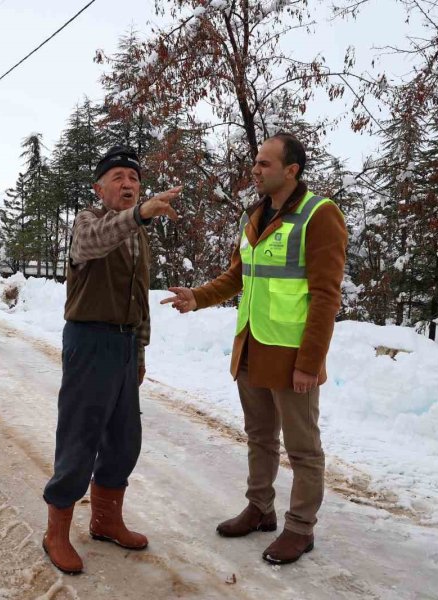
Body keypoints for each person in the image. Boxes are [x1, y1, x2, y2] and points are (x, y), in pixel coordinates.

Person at [161, 133, 347, 565]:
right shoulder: (254, 215)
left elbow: (326, 296)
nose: (255, 169)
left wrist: (310, 363)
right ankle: (260, 508)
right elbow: (237, 276)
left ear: (291, 170)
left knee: (303, 448)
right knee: (260, 437)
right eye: (256, 162)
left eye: (265, 163)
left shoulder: (319, 214)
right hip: (250, 346)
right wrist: (198, 296)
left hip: (291, 354)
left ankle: (300, 528)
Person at [42, 145, 182, 575]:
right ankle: (55, 533)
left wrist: (139, 352)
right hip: (89, 342)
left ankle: (105, 521)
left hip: (124, 345)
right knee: (79, 438)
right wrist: (139, 214)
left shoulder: (138, 235)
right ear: (98, 188)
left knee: (124, 440)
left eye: (134, 178)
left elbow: (139, 298)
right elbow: (93, 243)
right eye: (118, 177)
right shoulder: (88, 222)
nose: (128, 184)